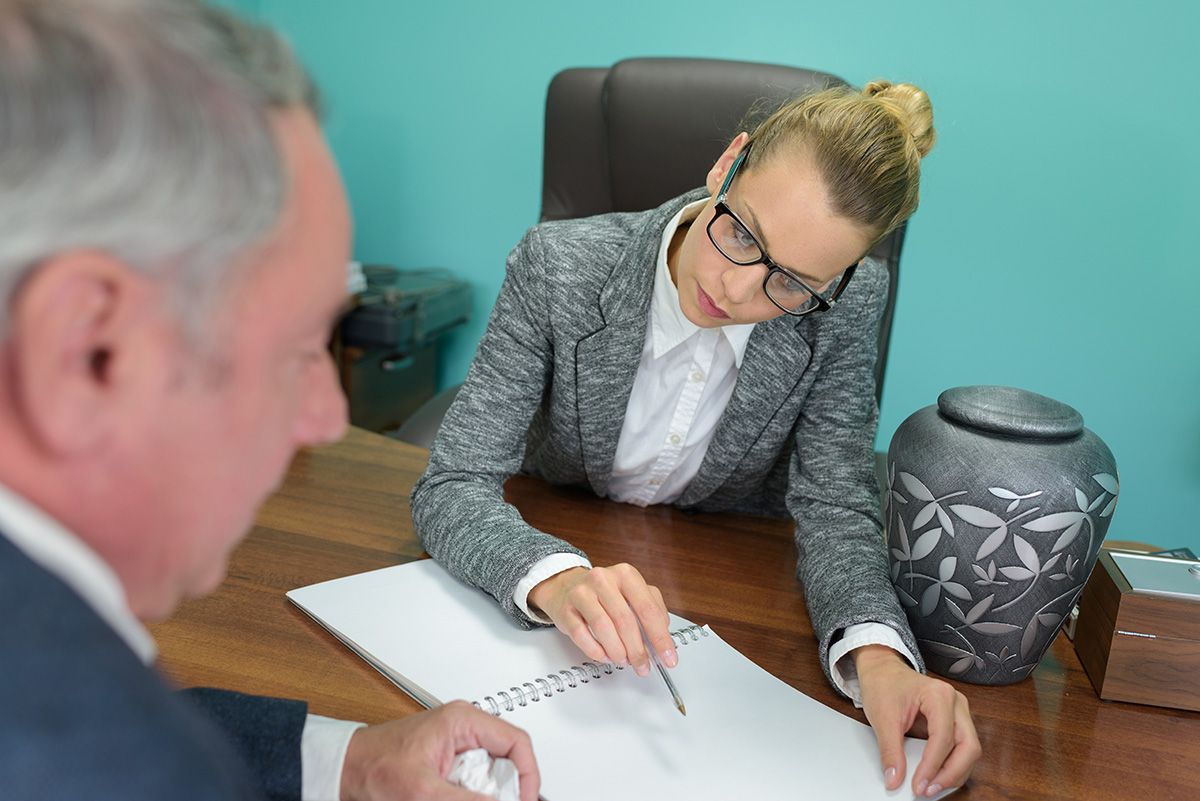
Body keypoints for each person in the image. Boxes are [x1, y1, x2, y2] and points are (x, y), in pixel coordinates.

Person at [0, 2, 539, 800]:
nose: (326, 418)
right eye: (296, 353)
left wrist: (344, 762)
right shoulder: (91, 757)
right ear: (86, 353)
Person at [411, 75, 981, 796]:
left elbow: (836, 504)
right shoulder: (556, 265)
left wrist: (879, 656)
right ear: (728, 163)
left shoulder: (847, 303)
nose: (739, 291)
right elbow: (452, 482)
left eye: (792, 284)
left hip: (732, 582)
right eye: (742, 232)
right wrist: (557, 578)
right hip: (564, 530)